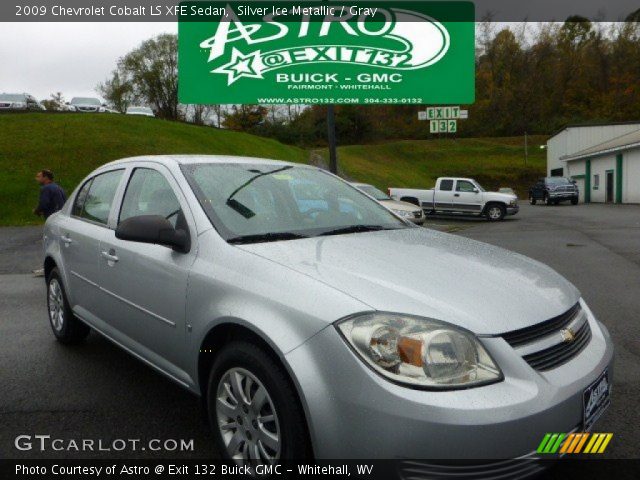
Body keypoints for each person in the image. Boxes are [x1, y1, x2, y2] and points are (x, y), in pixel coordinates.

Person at [32, 169, 66, 276]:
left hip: (52, 220)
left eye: (39, 177)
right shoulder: (58, 187)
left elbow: (44, 204)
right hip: (62, 219)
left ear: (46, 177)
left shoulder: (46, 188)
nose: (37, 179)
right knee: (58, 244)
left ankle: (47, 268)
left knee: (49, 244)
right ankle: (59, 267)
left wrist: (36, 211)